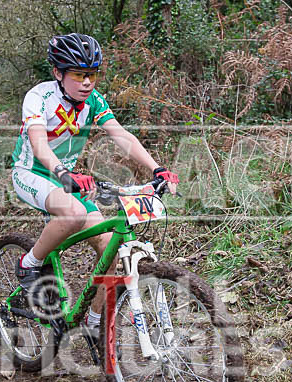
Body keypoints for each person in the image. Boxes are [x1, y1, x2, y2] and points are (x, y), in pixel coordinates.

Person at [11, 33, 179, 332]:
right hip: (32, 173)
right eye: (78, 75)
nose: (86, 82)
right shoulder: (39, 97)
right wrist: (63, 173)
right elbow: (39, 145)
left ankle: (94, 323)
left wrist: (158, 168)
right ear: (58, 73)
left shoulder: (94, 101)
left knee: (109, 248)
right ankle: (30, 262)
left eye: (91, 75)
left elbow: (122, 136)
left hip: (68, 179)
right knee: (73, 214)